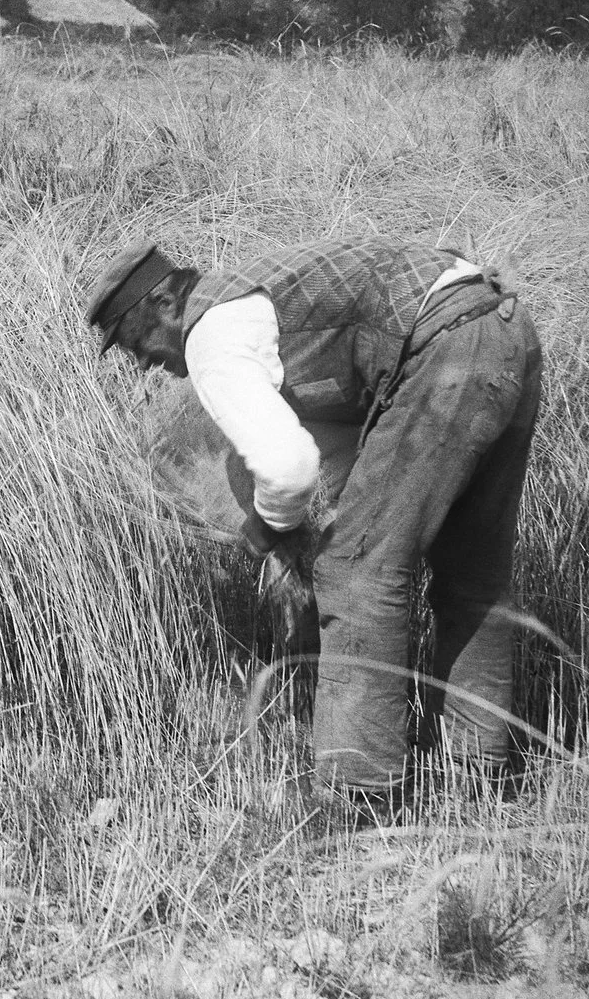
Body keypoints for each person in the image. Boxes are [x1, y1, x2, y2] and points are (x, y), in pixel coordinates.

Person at [88, 235, 542, 818]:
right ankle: (480, 774)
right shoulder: (252, 298)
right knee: (473, 573)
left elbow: (289, 465)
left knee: (355, 572)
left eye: (134, 342)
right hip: (505, 330)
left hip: (445, 353)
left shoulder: (212, 336)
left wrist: (269, 526)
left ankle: (360, 793)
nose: (145, 362)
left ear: (164, 304)